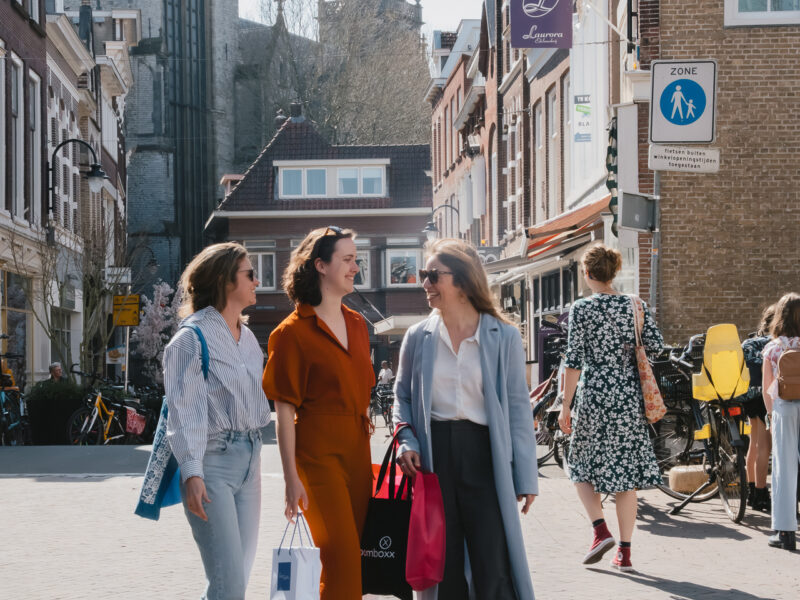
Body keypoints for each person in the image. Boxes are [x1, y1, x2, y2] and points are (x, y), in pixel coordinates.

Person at [394, 238, 538, 600]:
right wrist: (407, 442)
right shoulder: (418, 336)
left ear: (460, 280)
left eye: (432, 275)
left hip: (485, 455)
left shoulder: (501, 335)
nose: (424, 283)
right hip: (434, 455)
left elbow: (519, 408)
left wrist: (526, 475)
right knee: (445, 563)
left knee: (493, 560)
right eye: (423, 275)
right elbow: (403, 397)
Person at [263, 226, 374, 600]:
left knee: (345, 558)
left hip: (358, 453)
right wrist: (290, 478)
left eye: (355, 259)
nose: (355, 267)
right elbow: (283, 409)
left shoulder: (359, 325)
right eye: (347, 259)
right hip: (316, 457)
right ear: (320, 266)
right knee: (343, 558)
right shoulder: (291, 333)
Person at [164, 242, 272, 599]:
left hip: (250, 459)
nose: (257, 281)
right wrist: (193, 472)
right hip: (212, 464)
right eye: (250, 274)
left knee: (235, 580)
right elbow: (184, 414)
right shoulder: (189, 340)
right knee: (228, 585)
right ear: (226, 280)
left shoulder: (248, 339)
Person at [558, 243, 663, 572]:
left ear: (588, 273)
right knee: (625, 476)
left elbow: (573, 361)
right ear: (614, 272)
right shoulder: (635, 305)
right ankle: (625, 552)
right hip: (628, 397)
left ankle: (600, 530)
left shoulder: (582, 309)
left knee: (579, 464)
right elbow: (656, 345)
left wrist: (564, 407)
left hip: (594, 396)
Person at [762, 292, 800, 551]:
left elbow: (767, 388)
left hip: (784, 409)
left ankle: (784, 532)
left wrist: (770, 416)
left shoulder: (774, 347)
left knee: (783, 470)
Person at [742, 304, 776, 513]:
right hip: (765, 395)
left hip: (748, 395)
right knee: (765, 446)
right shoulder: (776, 343)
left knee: (753, 443)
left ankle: (752, 490)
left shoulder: (750, 342)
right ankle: (762, 494)